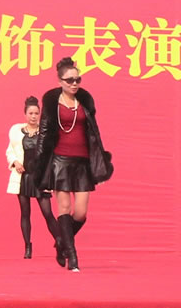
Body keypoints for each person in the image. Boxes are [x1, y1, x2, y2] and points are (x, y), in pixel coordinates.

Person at [35, 57, 113, 272]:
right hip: (59, 162)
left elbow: (95, 135)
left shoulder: (85, 101)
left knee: (80, 213)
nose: (74, 83)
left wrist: (99, 164)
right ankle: (72, 256)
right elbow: (43, 136)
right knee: (64, 208)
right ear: (60, 81)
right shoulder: (52, 103)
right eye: (69, 80)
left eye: (77, 79)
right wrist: (39, 167)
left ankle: (61, 242)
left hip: (82, 163)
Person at [5, 96, 64, 266]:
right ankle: (27, 246)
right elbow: (10, 151)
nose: (33, 116)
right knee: (25, 213)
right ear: (25, 114)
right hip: (23, 177)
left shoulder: (45, 132)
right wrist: (15, 162)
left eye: (36, 113)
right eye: (30, 113)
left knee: (47, 213)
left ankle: (61, 242)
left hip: (40, 178)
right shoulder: (16, 132)